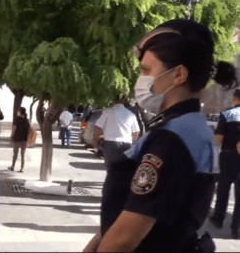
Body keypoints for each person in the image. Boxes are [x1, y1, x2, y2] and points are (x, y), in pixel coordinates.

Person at [84, 19, 238, 252]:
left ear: (178, 75)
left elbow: (124, 239)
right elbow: (124, 214)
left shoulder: (174, 139)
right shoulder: (186, 127)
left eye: (147, 70)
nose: (141, 79)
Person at [209, 89, 240, 238]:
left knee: (223, 190)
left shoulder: (228, 114)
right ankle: (236, 228)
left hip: (228, 157)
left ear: (234, 98)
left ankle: (218, 219)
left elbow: (218, 139)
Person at [93, 96, 140, 169]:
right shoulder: (131, 114)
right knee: (123, 169)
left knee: (111, 169)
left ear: (113, 100)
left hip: (110, 144)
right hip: (126, 144)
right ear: (125, 100)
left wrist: (96, 143)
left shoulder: (107, 112)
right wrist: (132, 144)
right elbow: (136, 132)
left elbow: (98, 128)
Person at [8, 107, 30, 172]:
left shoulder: (16, 119)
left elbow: (14, 129)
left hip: (17, 139)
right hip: (24, 139)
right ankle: (22, 168)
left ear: (20, 112)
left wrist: (11, 136)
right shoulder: (26, 120)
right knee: (23, 154)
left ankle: (13, 166)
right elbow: (29, 130)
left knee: (15, 153)